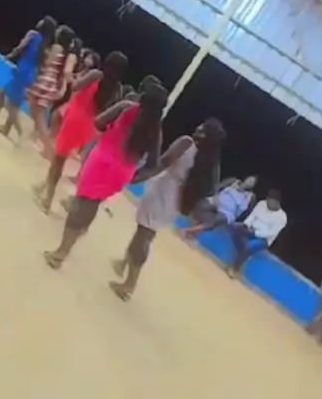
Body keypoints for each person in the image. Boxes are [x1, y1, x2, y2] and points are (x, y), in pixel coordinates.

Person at [43, 82, 168, 270]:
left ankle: (60, 253)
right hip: (122, 172)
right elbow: (152, 164)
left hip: (102, 160)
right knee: (93, 203)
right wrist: (134, 177)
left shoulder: (126, 107)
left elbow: (98, 122)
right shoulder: (156, 130)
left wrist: (111, 131)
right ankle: (76, 235)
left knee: (81, 203)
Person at [110, 118, 227, 301]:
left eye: (202, 126)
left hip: (163, 190)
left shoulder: (187, 143)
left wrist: (138, 177)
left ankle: (129, 284)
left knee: (143, 235)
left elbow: (163, 162)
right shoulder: (210, 162)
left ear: (203, 133)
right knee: (145, 233)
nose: (198, 126)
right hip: (176, 199)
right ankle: (123, 264)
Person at [34, 51, 128, 214]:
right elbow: (111, 110)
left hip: (75, 118)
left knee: (59, 160)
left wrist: (79, 76)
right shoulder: (118, 88)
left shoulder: (96, 75)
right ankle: (43, 186)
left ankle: (47, 199)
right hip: (89, 127)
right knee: (60, 157)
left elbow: (75, 86)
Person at [0, 16, 57, 140]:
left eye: (42, 20)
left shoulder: (33, 34)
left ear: (43, 25)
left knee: (6, 98)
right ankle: (5, 128)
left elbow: (20, 47)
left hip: (22, 71)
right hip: (30, 75)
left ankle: (19, 132)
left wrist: (9, 55)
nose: (39, 21)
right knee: (13, 103)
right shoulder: (46, 47)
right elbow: (42, 66)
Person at [27, 25, 75, 159]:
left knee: (38, 116)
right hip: (51, 82)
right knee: (38, 114)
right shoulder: (65, 53)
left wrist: (45, 53)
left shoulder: (56, 48)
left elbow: (47, 62)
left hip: (45, 80)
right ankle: (46, 146)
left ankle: (49, 148)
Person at [226, 189, 287, 278]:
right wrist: (245, 225)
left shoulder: (282, 217)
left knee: (248, 246)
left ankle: (235, 269)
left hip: (264, 239)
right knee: (234, 227)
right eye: (267, 200)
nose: (267, 203)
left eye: (270, 202)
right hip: (251, 229)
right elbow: (252, 216)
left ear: (276, 203)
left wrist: (255, 233)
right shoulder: (262, 204)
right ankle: (244, 254)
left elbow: (271, 233)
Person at [186, 176, 257, 237]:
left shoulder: (249, 196)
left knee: (217, 219)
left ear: (252, 186)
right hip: (217, 201)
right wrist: (216, 197)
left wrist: (235, 219)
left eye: (252, 182)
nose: (250, 182)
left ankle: (191, 231)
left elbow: (244, 211)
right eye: (250, 179)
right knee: (203, 204)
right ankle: (190, 221)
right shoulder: (233, 181)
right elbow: (217, 187)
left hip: (228, 212)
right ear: (246, 178)